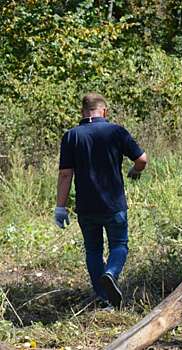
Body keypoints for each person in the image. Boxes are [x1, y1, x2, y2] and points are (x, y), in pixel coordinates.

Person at [54, 92, 147, 309]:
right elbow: (142, 159)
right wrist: (134, 171)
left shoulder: (71, 136)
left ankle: (104, 298)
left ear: (82, 112)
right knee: (119, 245)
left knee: (93, 251)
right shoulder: (116, 131)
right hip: (114, 205)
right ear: (104, 111)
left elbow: (65, 174)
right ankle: (111, 273)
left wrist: (60, 207)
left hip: (86, 208)